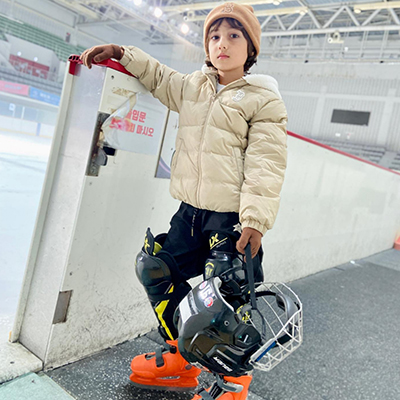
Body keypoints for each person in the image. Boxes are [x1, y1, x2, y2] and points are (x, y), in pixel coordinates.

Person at [80, 2, 288, 399]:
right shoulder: (194, 87)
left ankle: (233, 382)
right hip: (190, 213)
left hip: (230, 218)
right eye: (214, 36)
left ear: (251, 48)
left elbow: (266, 163)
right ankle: (181, 355)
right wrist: (122, 53)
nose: (222, 44)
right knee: (155, 270)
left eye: (233, 36)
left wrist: (255, 220)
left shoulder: (263, 99)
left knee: (225, 292)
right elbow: (159, 76)